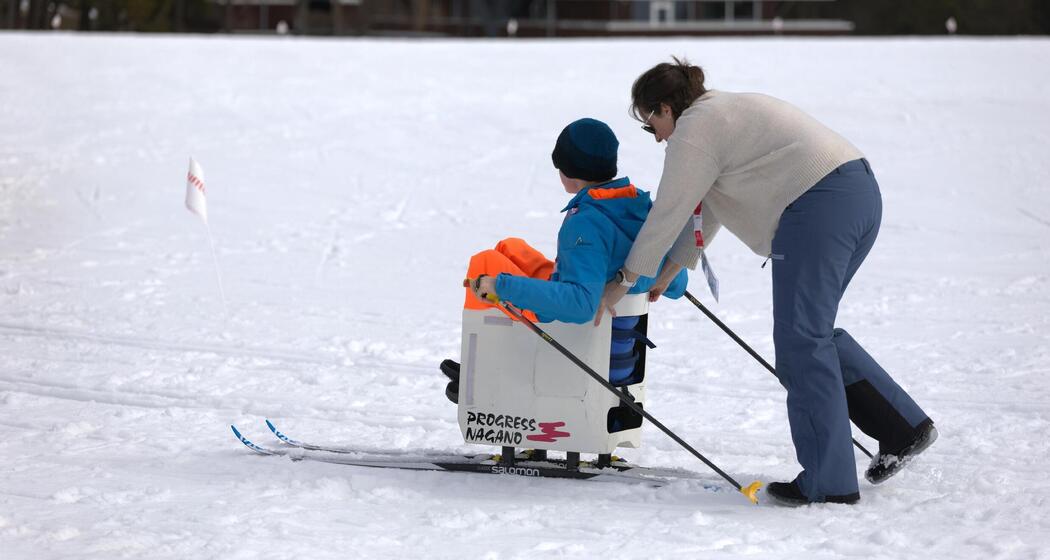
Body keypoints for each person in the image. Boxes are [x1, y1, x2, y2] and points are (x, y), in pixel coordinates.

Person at [595, 57, 937, 506]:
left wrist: (624, 279)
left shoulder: (694, 130)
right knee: (813, 334)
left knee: (801, 343)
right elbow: (710, 206)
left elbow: (669, 212)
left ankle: (829, 481)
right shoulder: (721, 114)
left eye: (650, 124)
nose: (657, 136)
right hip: (858, 194)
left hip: (817, 207)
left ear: (664, 108)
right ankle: (901, 427)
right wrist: (673, 268)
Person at [443, 118, 688, 402]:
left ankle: (482, 370)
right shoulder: (637, 206)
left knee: (486, 264)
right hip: (615, 341)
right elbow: (676, 281)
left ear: (569, 172)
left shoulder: (585, 222)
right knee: (510, 248)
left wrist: (501, 287)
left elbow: (580, 304)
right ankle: (484, 357)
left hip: (573, 338)